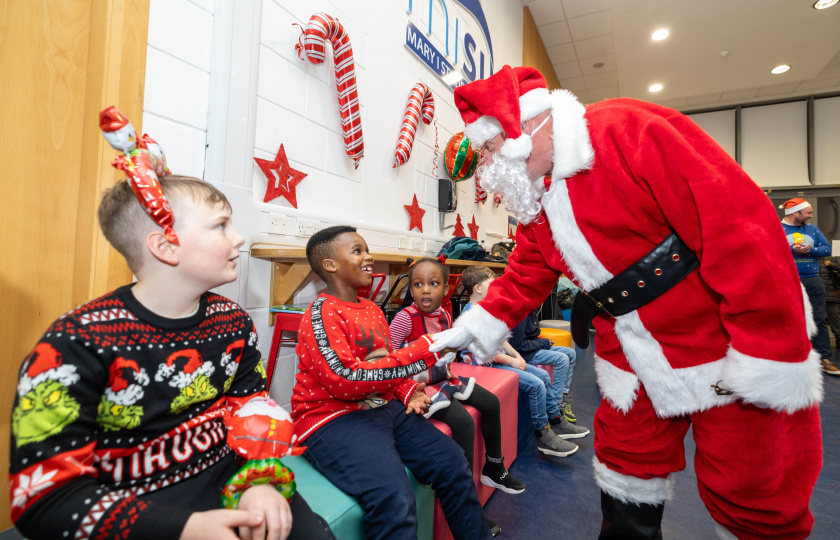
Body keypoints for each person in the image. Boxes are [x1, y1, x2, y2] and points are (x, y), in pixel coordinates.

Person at [429, 66, 824, 539]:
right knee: (625, 467)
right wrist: (470, 328)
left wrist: (767, 346)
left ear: (525, 126)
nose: (489, 165)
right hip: (628, 348)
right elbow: (525, 274)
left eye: (490, 149)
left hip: (719, 334)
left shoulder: (628, 129)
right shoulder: (537, 198)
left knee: (754, 480)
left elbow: (738, 224)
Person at [9, 176, 335, 540]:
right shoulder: (74, 343)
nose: (239, 238)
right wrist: (187, 529)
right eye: (221, 225)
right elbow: (42, 498)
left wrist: (260, 481)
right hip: (135, 507)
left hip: (231, 477)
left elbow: (253, 409)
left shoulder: (233, 322)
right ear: (166, 246)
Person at [290, 226, 490, 540]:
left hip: (383, 408)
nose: (368, 256)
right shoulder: (320, 313)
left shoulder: (371, 309)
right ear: (330, 264)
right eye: (357, 250)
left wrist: (407, 388)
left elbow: (381, 363)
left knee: (453, 464)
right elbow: (347, 379)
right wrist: (424, 349)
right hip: (333, 419)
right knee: (395, 500)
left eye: (366, 249)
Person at [390, 258, 526, 536]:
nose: (425, 290)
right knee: (462, 423)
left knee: (490, 402)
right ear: (411, 290)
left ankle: (494, 467)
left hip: (444, 377)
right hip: (420, 386)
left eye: (433, 284)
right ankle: (467, 505)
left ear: (446, 288)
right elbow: (389, 356)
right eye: (418, 285)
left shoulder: (446, 313)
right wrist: (406, 388)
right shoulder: (405, 317)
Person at [460, 266, 589, 458]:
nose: (498, 285)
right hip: (487, 365)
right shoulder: (472, 314)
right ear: (478, 288)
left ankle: (555, 418)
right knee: (537, 384)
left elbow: (501, 339)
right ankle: (543, 434)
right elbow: (486, 353)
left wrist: (516, 356)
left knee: (544, 375)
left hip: (501, 360)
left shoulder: (486, 309)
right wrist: (511, 361)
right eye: (492, 281)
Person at [780, 198, 836, 374]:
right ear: (795, 213)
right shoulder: (778, 229)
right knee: (787, 319)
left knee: (818, 318)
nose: (811, 216)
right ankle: (789, 359)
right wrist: (792, 250)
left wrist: (810, 250)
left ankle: (824, 359)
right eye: (808, 213)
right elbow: (769, 250)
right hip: (787, 280)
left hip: (813, 279)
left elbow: (827, 249)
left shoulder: (812, 229)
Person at [508, 305, 579, 424]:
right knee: (562, 359)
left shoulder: (532, 310)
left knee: (571, 353)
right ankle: (556, 406)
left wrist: (542, 341)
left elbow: (531, 336)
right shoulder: (520, 312)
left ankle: (563, 395)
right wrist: (543, 343)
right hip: (524, 354)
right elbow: (519, 346)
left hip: (533, 347)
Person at [818, 255, 840, 375]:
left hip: (830, 296)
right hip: (814, 297)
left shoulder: (830, 259)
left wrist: (831, 265)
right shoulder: (806, 259)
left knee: (837, 326)